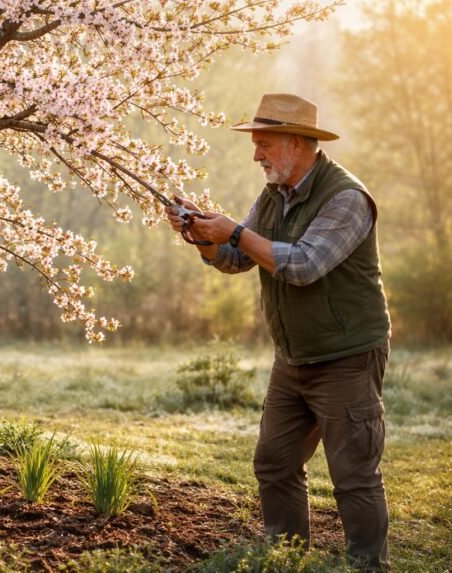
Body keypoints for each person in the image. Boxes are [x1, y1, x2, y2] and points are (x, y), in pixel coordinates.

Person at [167, 93, 392, 571]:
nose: (256, 155)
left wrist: (231, 231)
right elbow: (235, 260)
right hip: (292, 358)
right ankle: (285, 560)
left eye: (264, 144)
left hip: (346, 356)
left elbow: (304, 265)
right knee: (274, 464)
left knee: (354, 476)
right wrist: (201, 237)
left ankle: (367, 567)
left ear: (296, 143)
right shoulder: (274, 194)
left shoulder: (347, 198)